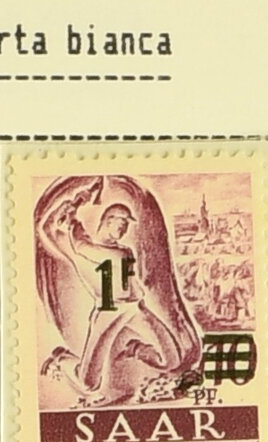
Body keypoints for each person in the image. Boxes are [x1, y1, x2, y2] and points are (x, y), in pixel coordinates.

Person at [30, 166, 210, 419]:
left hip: (135, 309)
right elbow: (49, 231)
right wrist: (73, 205)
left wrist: (74, 214)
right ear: (108, 222)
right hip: (107, 314)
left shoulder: (120, 250)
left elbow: (83, 244)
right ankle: (60, 359)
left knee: (170, 360)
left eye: (126, 224)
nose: (124, 228)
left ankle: (134, 348)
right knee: (88, 383)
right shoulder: (83, 251)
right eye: (121, 223)